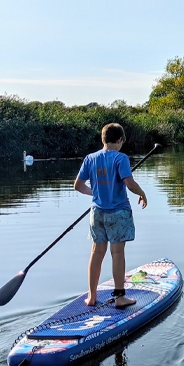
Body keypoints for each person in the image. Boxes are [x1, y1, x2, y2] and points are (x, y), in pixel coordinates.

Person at [74, 123, 147, 307]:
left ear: (103, 139)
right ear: (120, 140)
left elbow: (78, 185)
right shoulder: (121, 158)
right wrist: (142, 193)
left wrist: (96, 194)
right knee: (117, 253)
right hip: (118, 212)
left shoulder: (90, 158)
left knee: (96, 253)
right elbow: (129, 184)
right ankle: (120, 297)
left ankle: (91, 296)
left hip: (96, 212)